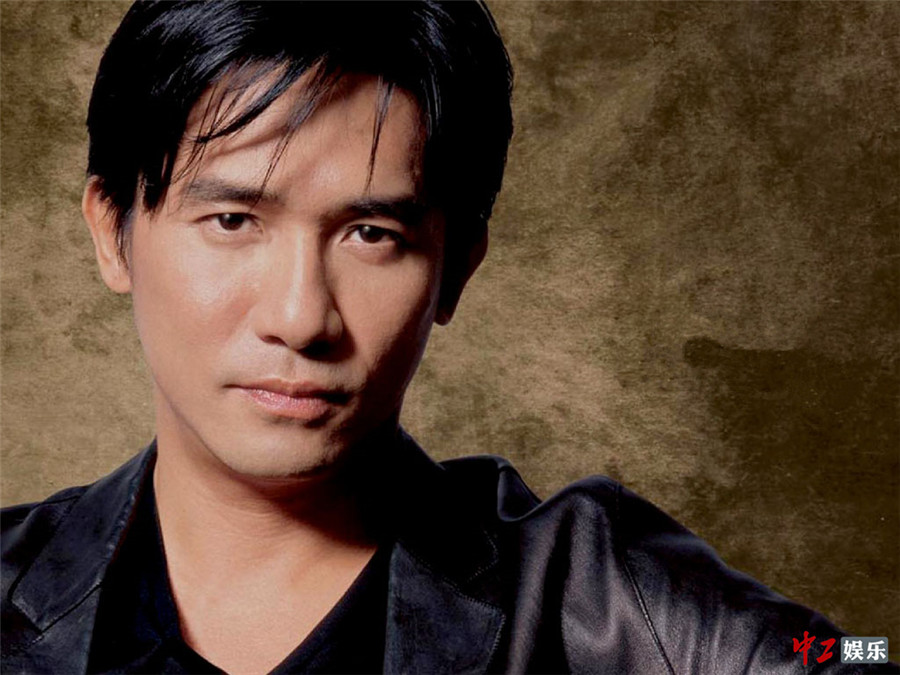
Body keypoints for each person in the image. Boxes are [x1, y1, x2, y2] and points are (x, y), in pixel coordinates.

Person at [1, 1, 895, 673]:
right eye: (233, 220)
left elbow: (859, 653)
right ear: (112, 232)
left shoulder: (592, 595)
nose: (302, 316)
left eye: (372, 234)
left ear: (456, 268)